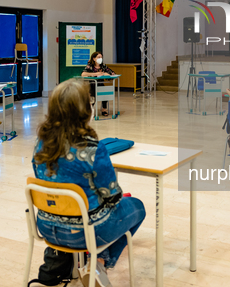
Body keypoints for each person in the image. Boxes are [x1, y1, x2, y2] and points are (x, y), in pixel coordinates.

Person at [32, 79, 146, 286]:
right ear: (85, 110)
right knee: (137, 207)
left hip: (46, 227)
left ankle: (85, 262)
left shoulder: (40, 144)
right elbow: (112, 197)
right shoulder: (94, 149)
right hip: (84, 233)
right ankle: (99, 261)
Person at [81, 52, 116, 116]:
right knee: (92, 96)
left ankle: (104, 109)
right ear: (94, 59)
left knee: (105, 93)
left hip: (100, 84)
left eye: (101, 57)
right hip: (91, 84)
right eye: (99, 57)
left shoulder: (103, 66)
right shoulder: (90, 66)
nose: (100, 59)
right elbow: (83, 74)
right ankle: (90, 110)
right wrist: (95, 74)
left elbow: (112, 73)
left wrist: (104, 73)